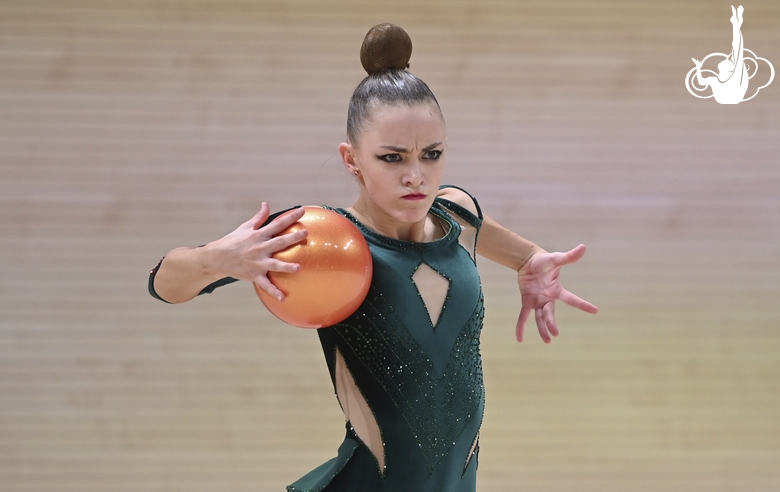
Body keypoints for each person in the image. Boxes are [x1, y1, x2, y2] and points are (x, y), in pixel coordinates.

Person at [149, 23, 598, 492]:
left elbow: (520, 254)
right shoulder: (319, 239)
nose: (415, 176)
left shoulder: (457, 215)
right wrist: (216, 260)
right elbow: (163, 282)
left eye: (431, 154)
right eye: (392, 158)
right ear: (351, 159)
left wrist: (532, 263)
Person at [692, 5, 748, 104]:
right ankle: (736, 23)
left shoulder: (732, 77)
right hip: (729, 97)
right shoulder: (715, 80)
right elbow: (701, 82)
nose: (724, 60)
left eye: (726, 61)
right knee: (737, 51)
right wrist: (698, 67)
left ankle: (736, 24)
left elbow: (737, 49)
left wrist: (698, 68)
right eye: (727, 61)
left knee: (737, 50)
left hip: (732, 96)